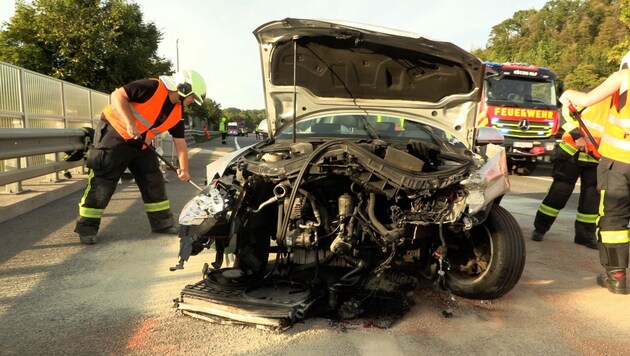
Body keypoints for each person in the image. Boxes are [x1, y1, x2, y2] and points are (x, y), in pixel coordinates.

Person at [74, 69, 207, 245]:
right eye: (192, 97)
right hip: (115, 133)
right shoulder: (152, 87)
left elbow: (180, 142)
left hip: (141, 142)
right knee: (104, 180)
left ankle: (162, 224)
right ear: (183, 87)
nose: (192, 102)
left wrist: (184, 169)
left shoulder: (177, 112)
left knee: (153, 179)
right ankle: (87, 228)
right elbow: (117, 96)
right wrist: (129, 123)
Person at [559, 50, 630, 295]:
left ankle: (616, 277)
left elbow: (585, 101)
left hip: (619, 163)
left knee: (614, 220)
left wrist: (567, 93)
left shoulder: (624, 77)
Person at [531, 95, 609, 249]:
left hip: (595, 158)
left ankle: (584, 236)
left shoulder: (621, 107)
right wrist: (577, 135)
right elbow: (565, 112)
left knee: (591, 200)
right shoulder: (595, 96)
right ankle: (540, 228)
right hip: (571, 152)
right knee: (559, 193)